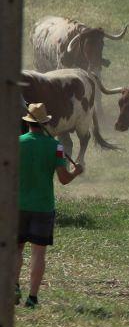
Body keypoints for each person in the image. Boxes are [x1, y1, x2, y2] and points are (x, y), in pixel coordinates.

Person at [16, 102, 83, 309]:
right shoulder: (57, 147)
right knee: (38, 253)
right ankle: (32, 298)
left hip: (17, 205)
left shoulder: (16, 143)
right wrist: (76, 172)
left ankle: (13, 285)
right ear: (46, 122)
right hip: (43, 207)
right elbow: (63, 179)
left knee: (16, 249)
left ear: (27, 123)